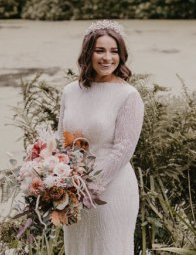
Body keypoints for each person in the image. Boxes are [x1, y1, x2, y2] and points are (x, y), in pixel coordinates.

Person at [57, 20, 144, 255]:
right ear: (88, 53)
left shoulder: (128, 95)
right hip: (73, 193)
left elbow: (123, 149)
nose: (107, 58)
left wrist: (89, 187)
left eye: (114, 51)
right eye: (100, 50)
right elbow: (61, 141)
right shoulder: (70, 91)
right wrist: (60, 182)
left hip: (111, 191)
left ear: (121, 56)